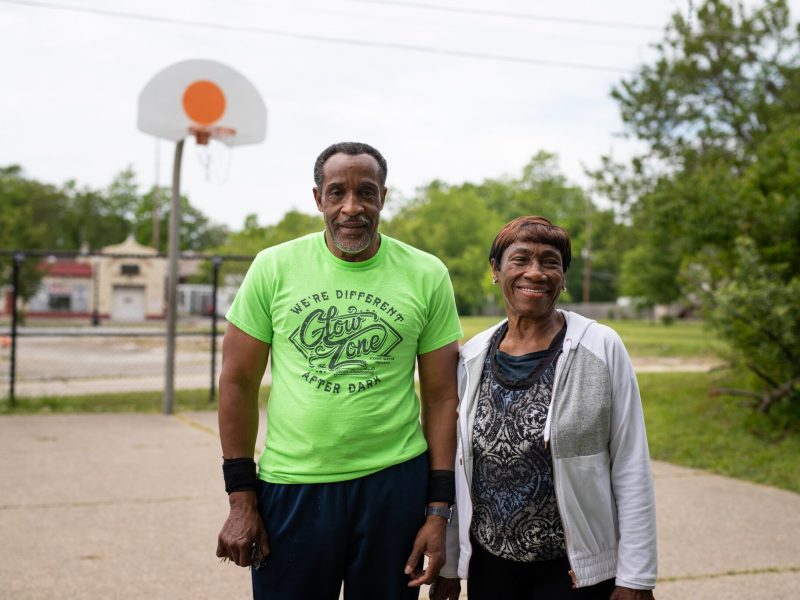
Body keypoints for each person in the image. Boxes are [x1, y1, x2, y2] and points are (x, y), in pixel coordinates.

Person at [215, 141, 462, 600]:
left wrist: (438, 510)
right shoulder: (274, 267)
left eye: (366, 192)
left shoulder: (426, 274)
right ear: (318, 199)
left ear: (383, 197)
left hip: (393, 485)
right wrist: (241, 499)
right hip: (294, 486)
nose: (352, 208)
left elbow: (442, 397)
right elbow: (237, 382)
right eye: (337, 193)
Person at [431, 216, 657, 600]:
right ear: (496, 270)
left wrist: (636, 577)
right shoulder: (472, 357)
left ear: (563, 276)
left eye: (550, 262)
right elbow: (461, 468)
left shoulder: (600, 347)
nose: (535, 273)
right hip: (491, 569)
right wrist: (452, 565)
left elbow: (630, 463)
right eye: (520, 260)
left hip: (573, 570)